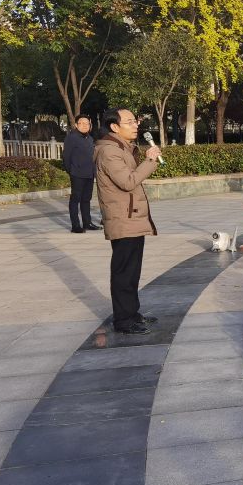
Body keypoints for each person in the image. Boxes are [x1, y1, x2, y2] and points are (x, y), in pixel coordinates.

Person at [94, 109, 161, 335]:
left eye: (136, 121)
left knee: (132, 271)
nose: (135, 126)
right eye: (130, 122)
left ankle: (132, 313)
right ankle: (123, 320)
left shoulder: (122, 148)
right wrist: (150, 160)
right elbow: (128, 181)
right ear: (114, 127)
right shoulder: (109, 152)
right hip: (123, 218)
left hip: (131, 216)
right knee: (124, 272)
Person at [63, 115, 100, 233]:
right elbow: (66, 157)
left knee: (86, 199)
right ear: (76, 125)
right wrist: (71, 171)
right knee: (75, 200)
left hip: (89, 173)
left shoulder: (89, 138)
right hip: (77, 174)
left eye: (87, 123)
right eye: (82, 123)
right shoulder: (71, 138)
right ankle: (75, 226)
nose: (85, 126)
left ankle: (87, 223)